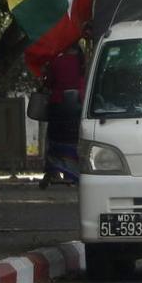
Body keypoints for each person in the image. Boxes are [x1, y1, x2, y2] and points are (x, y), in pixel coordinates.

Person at [41, 44, 85, 188]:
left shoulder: (56, 62)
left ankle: (52, 172)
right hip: (79, 104)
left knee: (54, 138)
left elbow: (49, 83)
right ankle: (72, 173)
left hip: (59, 104)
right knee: (76, 138)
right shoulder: (84, 62)